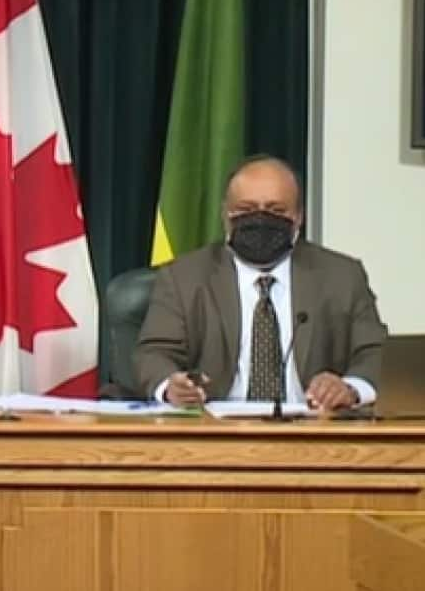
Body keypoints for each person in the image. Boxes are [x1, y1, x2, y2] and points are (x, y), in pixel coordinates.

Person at [134, 155, 385, 412]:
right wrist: (171, 387)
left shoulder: (342, 276)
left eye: (276, 211)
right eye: (246, 210)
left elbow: (375, 353)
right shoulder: (185, 277)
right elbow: (154, 354)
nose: (261, 220)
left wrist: (350, 388)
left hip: (311, 432)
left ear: (299, 217)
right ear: (226, 215)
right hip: (213, 432)